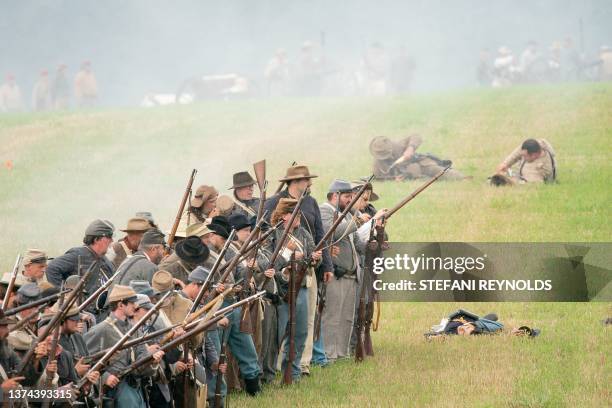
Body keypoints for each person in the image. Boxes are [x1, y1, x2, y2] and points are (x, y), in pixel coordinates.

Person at [264, 164, 333, 373]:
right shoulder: (274, 203)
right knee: (282, 327)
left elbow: (320, 236)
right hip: (282, 283)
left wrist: (324, 263)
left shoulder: (310, 202)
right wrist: (289, 254)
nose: (309, 183)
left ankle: (300, 365)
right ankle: (275, 368)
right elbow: (268, 243)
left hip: (305, 276)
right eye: (306, 180)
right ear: (295, 182)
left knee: (304, 323)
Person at [320, 180, 385, 361]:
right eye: (347, 197)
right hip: (336, 274)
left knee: (346, 318)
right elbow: (333, 231)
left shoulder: (346, 216)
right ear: (335, 196)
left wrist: (373, 238)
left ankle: (342, 353)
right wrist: (357, 220)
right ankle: (329, 354)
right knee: (332, 317)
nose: (350, 200)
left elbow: (357, 243)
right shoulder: (325, 211)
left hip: (351, 274)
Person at [84, 285, 164, 408]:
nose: (135, 306)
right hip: (115, 392)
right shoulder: (101, 330)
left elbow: (141, 365)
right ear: (121, 305)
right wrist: (105, 378)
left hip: (136, 390)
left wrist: (152, 361)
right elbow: (85, 362)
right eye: (132, 303)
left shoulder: (135, 330)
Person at [268, 198, 322, 381]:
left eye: (299, 213)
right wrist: (287, 252)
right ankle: (269, 373)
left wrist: (314, 258)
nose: (298, 216)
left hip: (302, 287)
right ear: (284, 216)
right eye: (294, 213)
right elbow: (269, 264)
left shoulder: (303, 233)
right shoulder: (273, 235)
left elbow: (313, 256)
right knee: (279, 333)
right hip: (281, 291)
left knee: (300, 332)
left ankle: (294, 372)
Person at [46, 219, 116, 316]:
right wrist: (66, 294)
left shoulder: (104, 259)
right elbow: (52, 269)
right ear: (97, 239)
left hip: (103, 313)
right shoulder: (78, 254)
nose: (112, 240)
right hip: (83, 313)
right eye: (109, 237)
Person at [369, 135, 466, 181]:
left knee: (437, 170)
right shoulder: (377, 164)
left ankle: (463, 178)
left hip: (420, 164)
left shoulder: (398, 145)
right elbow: (380, 178)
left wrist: (410, 148)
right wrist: (394, 179)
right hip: (408, 175)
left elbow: (416, 137)